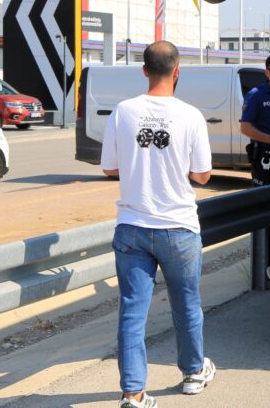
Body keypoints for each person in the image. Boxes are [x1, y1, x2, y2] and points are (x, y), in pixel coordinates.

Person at [101, 40, 217, 407]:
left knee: (132, 312)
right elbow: (202, 175)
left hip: (132, 227)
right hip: (179, 228)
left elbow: (109, 167)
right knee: (186, 305)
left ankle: (133, 393)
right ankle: (193, 373)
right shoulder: (190, 116)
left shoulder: (122, 112)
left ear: (144, 70)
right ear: (177, 70)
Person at [239, 53, 270, 284]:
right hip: (266, 158)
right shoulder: (256, 95)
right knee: (267, 211)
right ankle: (269, 265)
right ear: (267, 72)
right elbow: (245, 127)